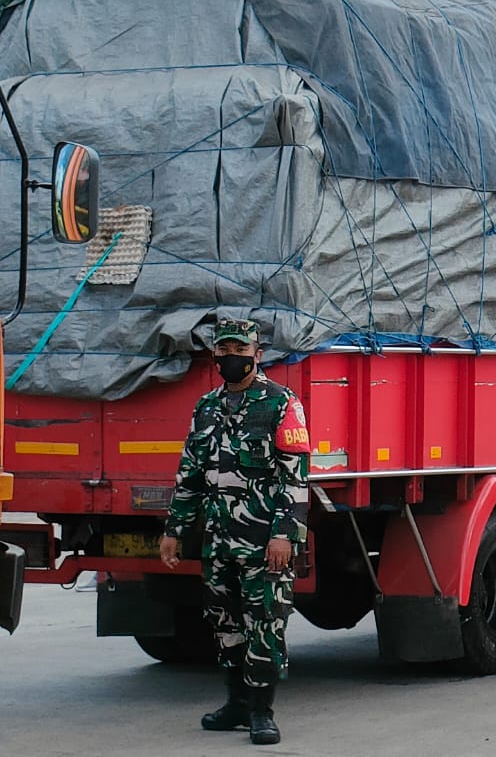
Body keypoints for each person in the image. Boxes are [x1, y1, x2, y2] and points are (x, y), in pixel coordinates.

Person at [160, 319, 311, 745]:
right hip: (218, 541)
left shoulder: (281, 403)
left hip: (264, 543)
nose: (233, 357)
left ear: (257, 354)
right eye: (226, 349)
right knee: (224, 622)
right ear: (215, 355)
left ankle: (263, 711)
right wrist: (175, 529)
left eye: (241, 350)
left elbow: (295, 478)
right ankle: (236, 704)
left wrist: (285, 534)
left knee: (264, 623)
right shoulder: (206, 407)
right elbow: (189, 474)